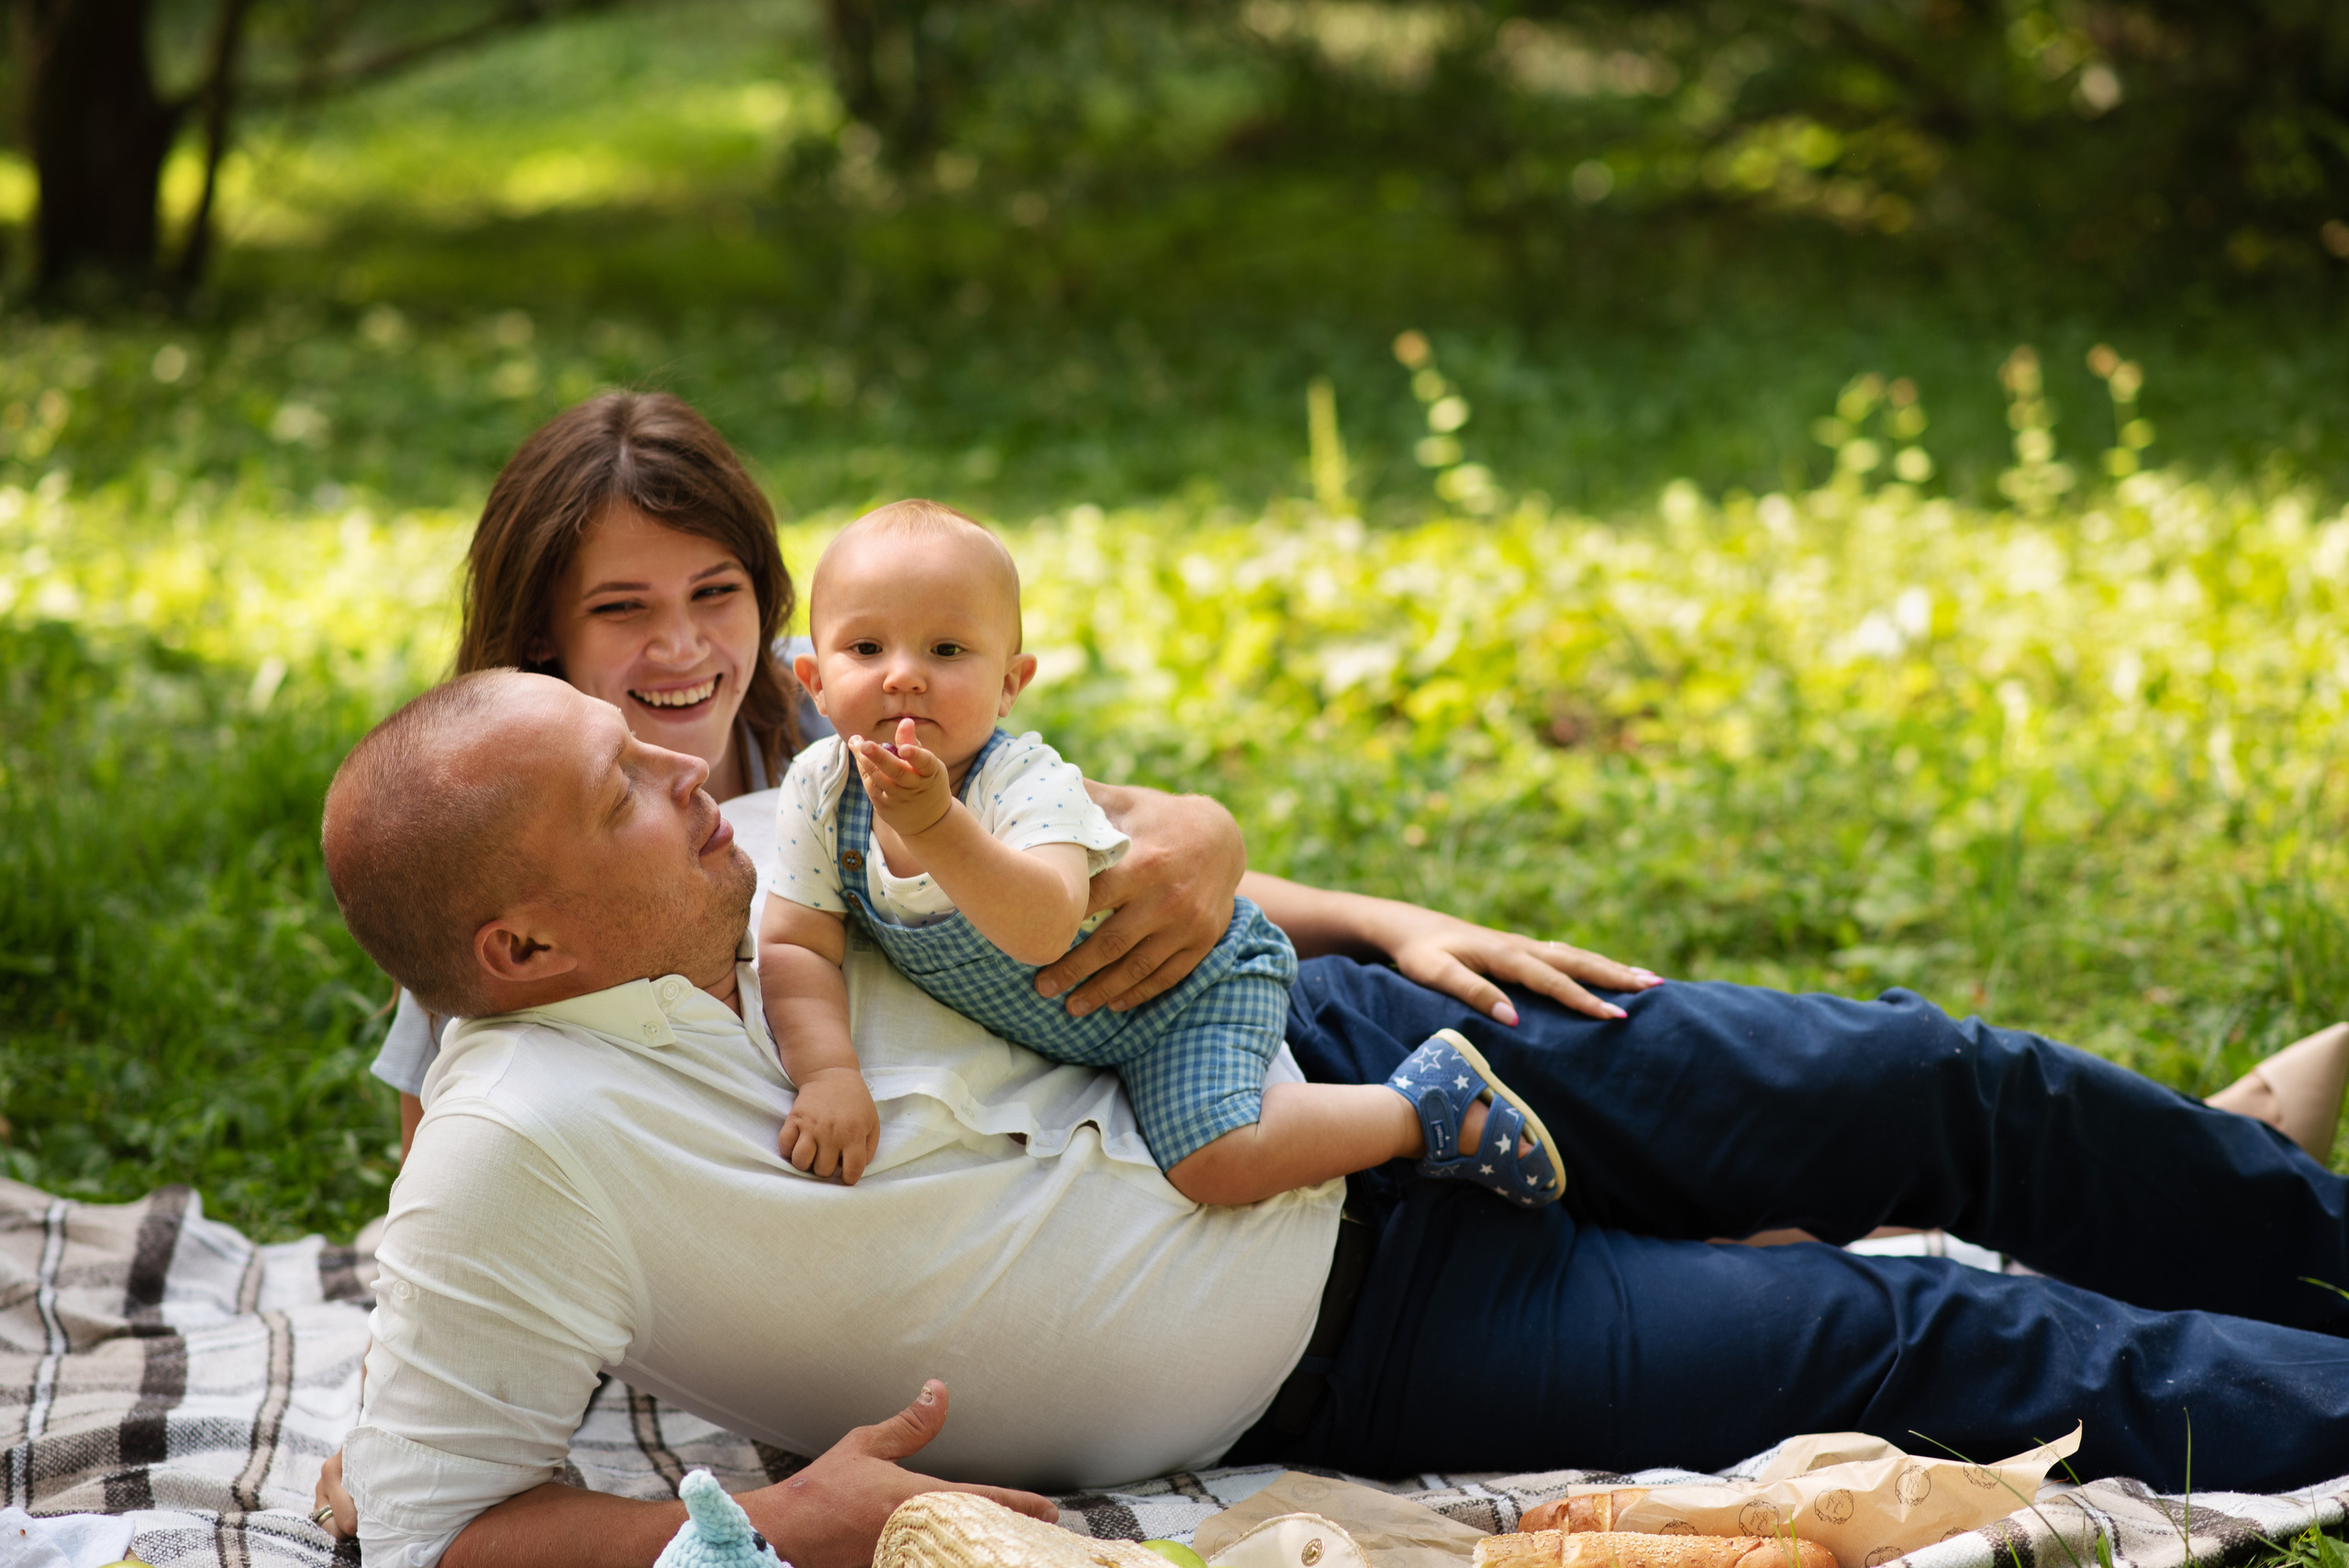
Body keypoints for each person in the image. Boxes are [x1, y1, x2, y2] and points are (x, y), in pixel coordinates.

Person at [319, 667, 2349, 1568]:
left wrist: (1320, 893)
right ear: (509, 940)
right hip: (1355, 1332)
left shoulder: (779, 837)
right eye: (620, 789)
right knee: (1893, 1340)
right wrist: (772, 1523)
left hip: (1356, 1037)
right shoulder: (520, 1152)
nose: (688, 775)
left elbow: (1100, 858)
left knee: (1921, 1081)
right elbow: (434, 1521)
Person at [366, 391, 1657, 1153]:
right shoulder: (518, 857)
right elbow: (444, 1156)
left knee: (1638, 1083)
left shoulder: (832, 727)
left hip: (1171, 1051)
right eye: (622, 612)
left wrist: (1369, 910)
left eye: (720, 594)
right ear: (541, 639)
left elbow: (1104, 843)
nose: (684, 647)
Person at [761, 499, 1564, 1207]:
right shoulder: (820, 790)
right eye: (866, 648)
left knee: (1211, 1162)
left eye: (946, 651)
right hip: (1093, 1027)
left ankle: (1421, 1107)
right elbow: (797, 943)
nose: (904, 676)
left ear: (1010, 685)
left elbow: (1042, 924)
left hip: (1188, 990)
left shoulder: (1023, 779)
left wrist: (938, 826)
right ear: (814, 680)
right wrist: (830, 1073)